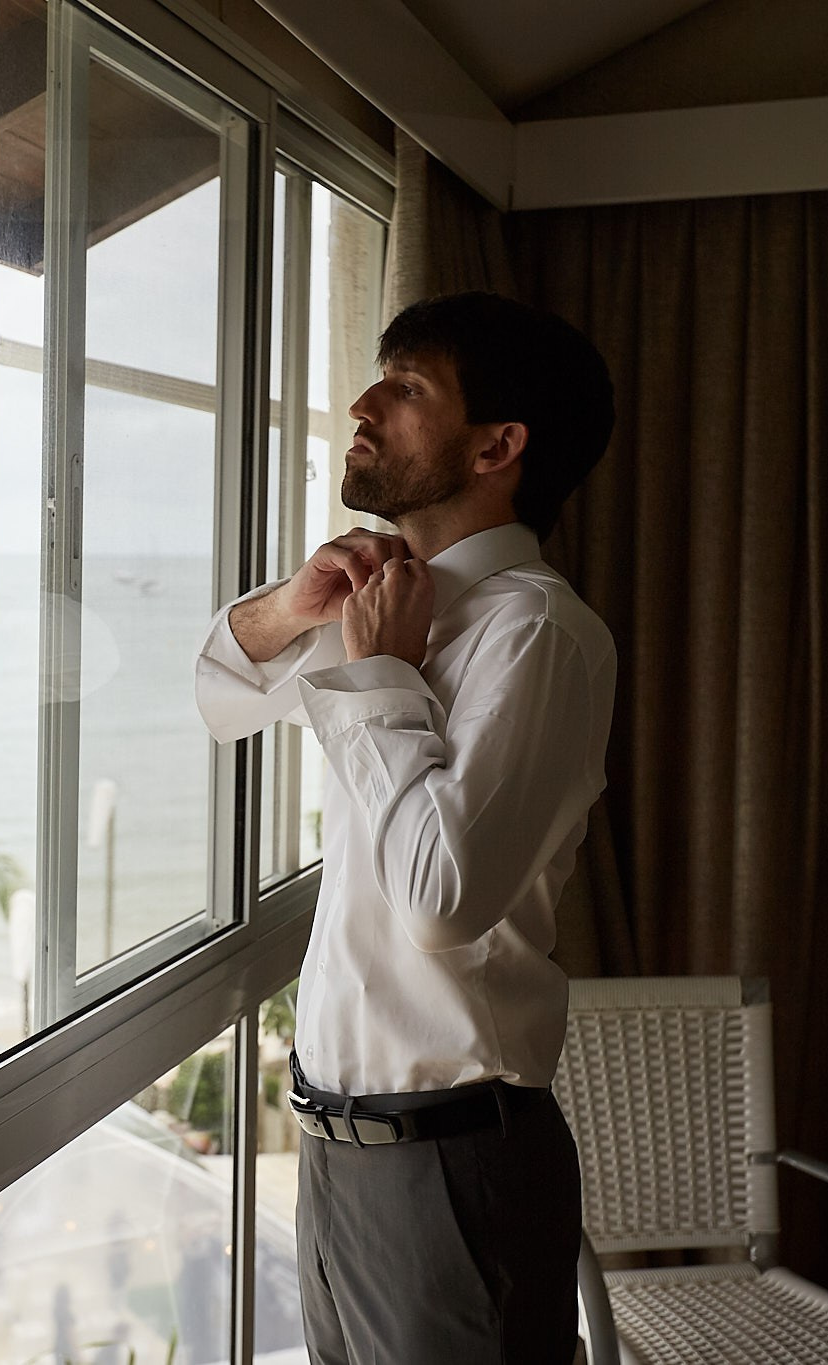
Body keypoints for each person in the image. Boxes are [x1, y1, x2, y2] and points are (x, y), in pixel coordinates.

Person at [195, 290, 617, 1364]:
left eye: (407, 385)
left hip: (454, 1163)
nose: (362, 401)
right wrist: (293, 607)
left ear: (496, 445)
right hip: (337, 1153)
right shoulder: (384, 598)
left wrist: (380, 671)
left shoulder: (538, 633)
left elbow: (441, 901)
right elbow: (222, 697)